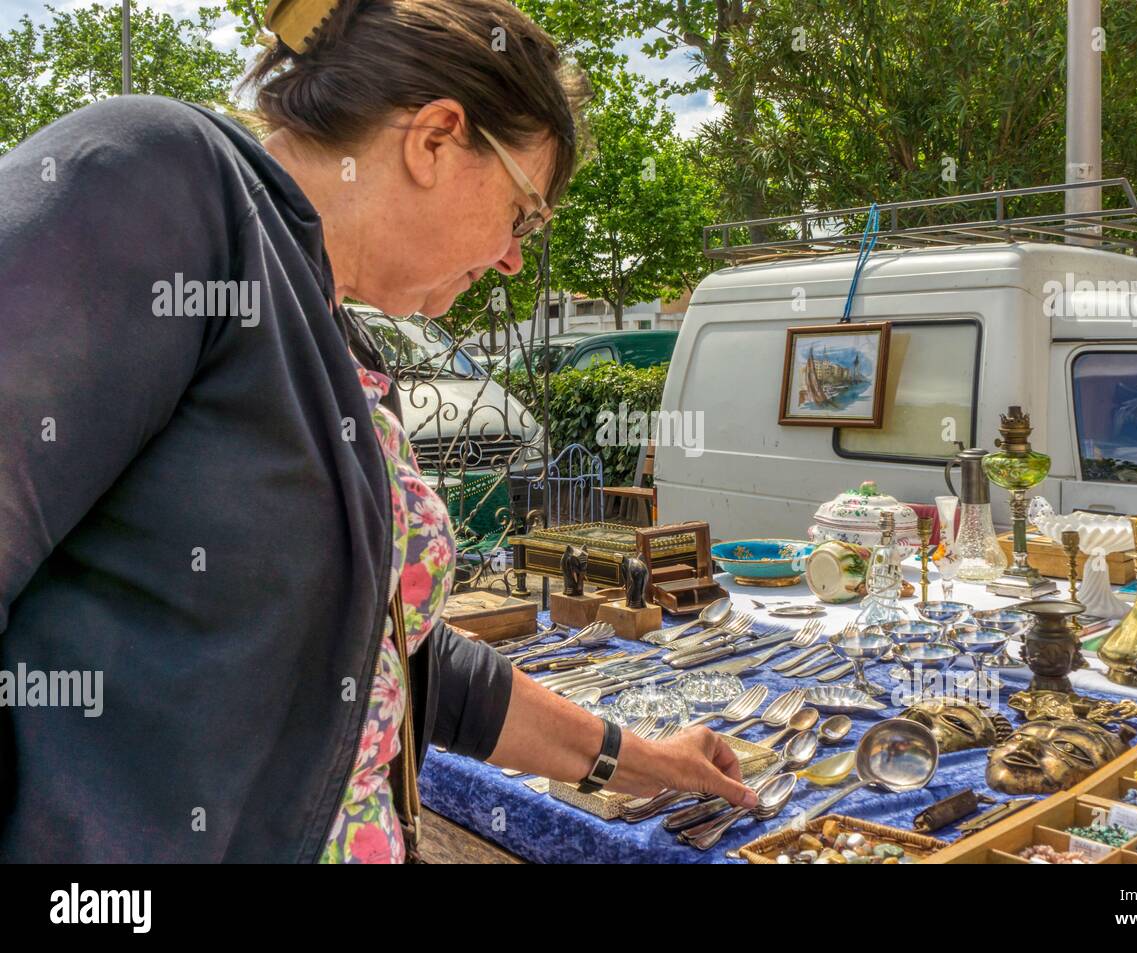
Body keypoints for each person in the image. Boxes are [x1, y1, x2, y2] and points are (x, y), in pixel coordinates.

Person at [0, 0, 752, 863]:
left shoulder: (338, 337)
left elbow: (396, 659)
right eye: (524, 213)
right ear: (435, 138)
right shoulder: (166, 177)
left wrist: (636, 757)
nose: (514, 257)